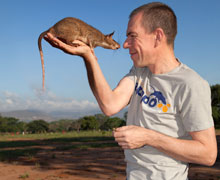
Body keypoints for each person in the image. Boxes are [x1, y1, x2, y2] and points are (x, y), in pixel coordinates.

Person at [44, 2, 217, 179]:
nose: (125, 44)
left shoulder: (191, 84)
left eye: (132, 36)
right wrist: (89, 56)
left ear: (157, 36)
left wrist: (149, 137)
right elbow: (109, 105)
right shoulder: (139, 73)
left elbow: (208, 154)